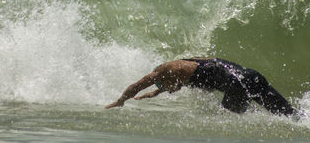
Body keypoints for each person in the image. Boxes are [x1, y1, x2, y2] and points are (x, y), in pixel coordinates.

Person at [105, 57, 298, 117]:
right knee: (289, 115)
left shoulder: (165, 69)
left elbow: (137, 85)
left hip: (237, 84)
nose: (167, 88)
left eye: (163, 84)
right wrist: (156, 92)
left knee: (228, 122)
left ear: (163, 75)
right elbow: (173, 85)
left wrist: (121, 100)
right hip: (252, 76)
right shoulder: (187, 66)